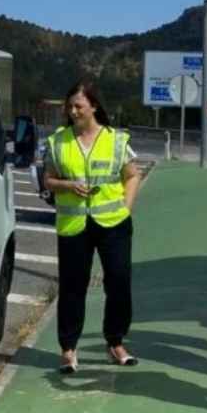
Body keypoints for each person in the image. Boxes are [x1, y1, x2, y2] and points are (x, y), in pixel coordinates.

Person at [44, 80, 141, 373]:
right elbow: (47, 180)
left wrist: (126, 207)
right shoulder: (58, 141)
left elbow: (132, 175)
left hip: (113, 223)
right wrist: (67, 185)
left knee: (119, 281)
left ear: (94, 106)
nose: (73, 111)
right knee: (73, 286)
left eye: (79, 106)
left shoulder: (115, 140)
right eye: (70, 106)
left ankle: (116, 342)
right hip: (74, 224)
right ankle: (69, 349)